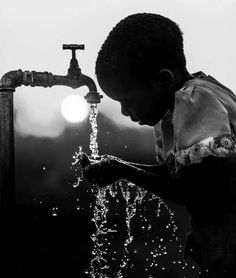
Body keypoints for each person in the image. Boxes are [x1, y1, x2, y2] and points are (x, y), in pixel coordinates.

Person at [81, 13, 236, 277]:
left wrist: (122, 170)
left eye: (128, 100)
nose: (124, 111)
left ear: (163, 80)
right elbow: (178, 176)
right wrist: (120, 165)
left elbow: (196, 189)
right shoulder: (175, 109)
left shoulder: (195, 99)